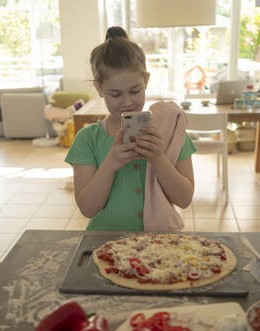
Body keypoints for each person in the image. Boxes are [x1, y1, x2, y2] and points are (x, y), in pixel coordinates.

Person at [65, 26, 196, 231]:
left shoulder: (171, 130)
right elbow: (87, 208)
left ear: (146, 81)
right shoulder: (87, 139)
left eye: (135, 91)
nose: (127, 102)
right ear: (99, 89)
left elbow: (185, 199)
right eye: (115, 94)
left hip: (157, 244)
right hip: (105, 243)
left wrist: (158, 158)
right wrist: (111, 163)